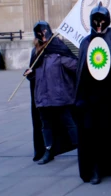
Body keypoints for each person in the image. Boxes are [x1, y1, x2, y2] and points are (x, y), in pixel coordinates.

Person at [75, 2, 111, 184]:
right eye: (95, 21)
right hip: (92, 98)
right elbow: (81, 71)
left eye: (102, 20)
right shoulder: (86, 43)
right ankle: (96, 169)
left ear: (107, 20)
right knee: (94, 134)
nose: (99, 24)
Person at [25, 21, 79, 165]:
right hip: (43, 96)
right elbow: (34, 73)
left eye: (44, 32)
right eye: (40, 33)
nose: (43, 36)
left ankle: (82, 149)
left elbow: (75, 66)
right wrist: (29, 74)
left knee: (69, 123)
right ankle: (48, 151)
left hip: (60, 96)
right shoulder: (36, 52)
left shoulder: (58, 49)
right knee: (46, 125)